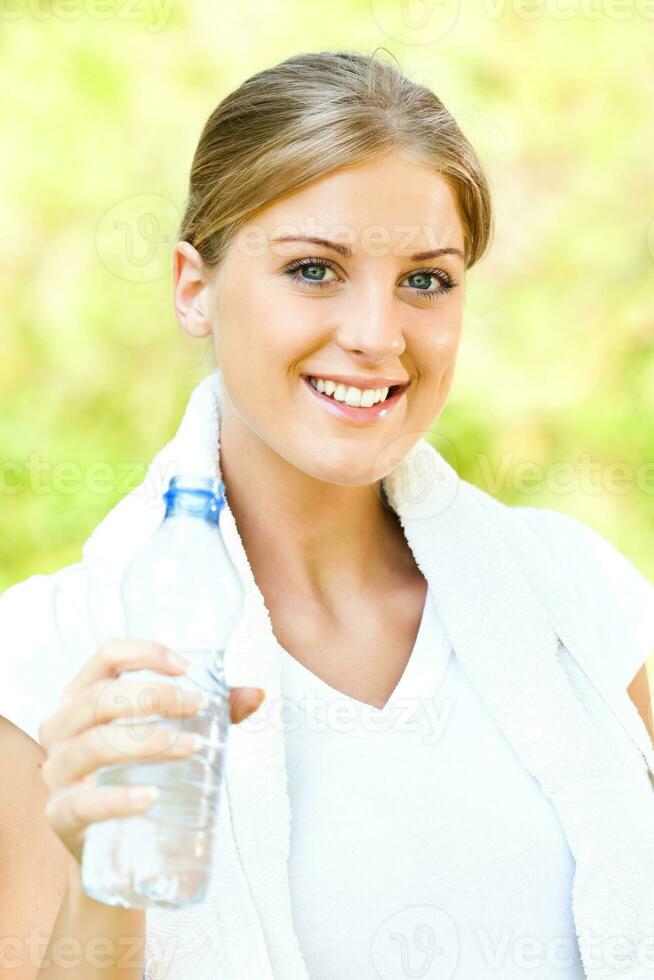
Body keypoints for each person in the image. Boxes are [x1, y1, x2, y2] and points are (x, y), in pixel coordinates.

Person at [1, 49, 653, 980]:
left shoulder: (581, 605)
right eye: (314, 269)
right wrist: (109, 879)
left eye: (426, 280)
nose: (377, 336)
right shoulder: (47, 665)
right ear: (194, 287)